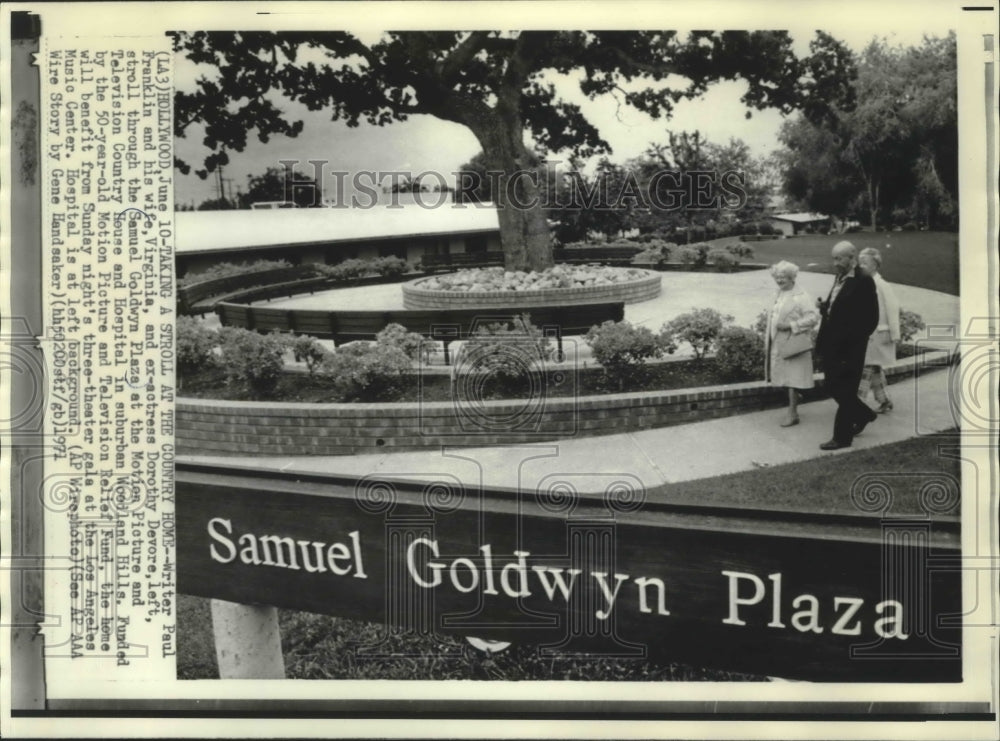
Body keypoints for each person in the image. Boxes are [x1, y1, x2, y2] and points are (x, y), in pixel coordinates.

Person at [814, 241, 879, 450]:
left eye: (839, 258)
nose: (835, 263)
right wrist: (825, 307)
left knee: (847, 390)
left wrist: (852, 342)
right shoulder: (840, 277)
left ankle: (842, 438)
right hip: (832, 345)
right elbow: (840, 307)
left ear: (852, 257)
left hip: (850, 349)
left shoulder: (864, 280)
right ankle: (865, 414)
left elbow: (871, 318)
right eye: (833, 258)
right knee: (833, 387)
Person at [765, 261, 819, 427]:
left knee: (792, 379)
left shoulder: (801, 296)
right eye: (777, 277)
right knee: (782, 377)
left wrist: (791, 325)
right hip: (777, 341)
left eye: (783, 278)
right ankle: (795, 399)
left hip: (794, 343)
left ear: (792, 278)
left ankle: (793, 413)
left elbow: (813, 318)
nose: (780, 281)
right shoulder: (778, 293)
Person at [856, 247, 900, 413]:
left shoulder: (881, 285)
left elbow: (892, 308)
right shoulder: (862, 283)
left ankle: (857, 404)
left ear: (875, 265)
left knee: (866, 367)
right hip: (866, 335)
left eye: (865, 263)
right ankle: (884, 400)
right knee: (873, 367)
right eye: (859, 263)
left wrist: (894, 334)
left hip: (879, 334)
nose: (861, 266)